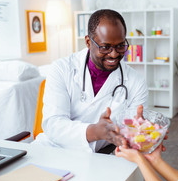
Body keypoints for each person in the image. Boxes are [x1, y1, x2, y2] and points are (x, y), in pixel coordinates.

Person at [34, 9, 148, 153]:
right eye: (105, 47)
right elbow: (53, 124)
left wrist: (142, 134)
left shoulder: (135, 82)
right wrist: (94, 132)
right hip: (51, 150)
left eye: (120, 46)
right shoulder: (61, 69)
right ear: (88, 42)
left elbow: (134, 130)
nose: (114, 54)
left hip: (98, 158)